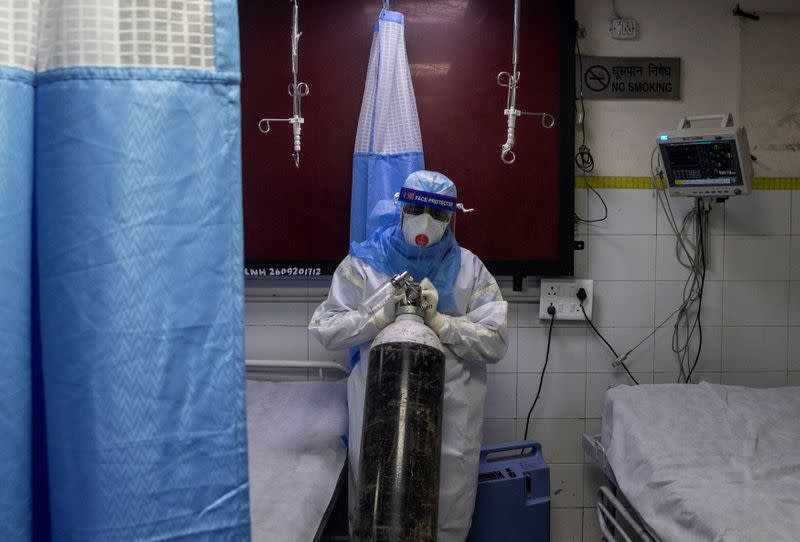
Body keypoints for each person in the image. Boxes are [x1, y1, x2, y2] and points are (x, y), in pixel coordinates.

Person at [309, 170, 508, 541]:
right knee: (374, 506)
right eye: (417, 208)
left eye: (438, 214)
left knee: (446, 511)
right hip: (377, 414)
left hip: (450, 419)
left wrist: (442, 324)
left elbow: (495, 341)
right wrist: (378, 317)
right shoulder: (364, 265)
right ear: (400, 208)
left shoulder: (470, 271)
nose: (425, 222)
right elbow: (324, 328)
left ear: (452, 218)